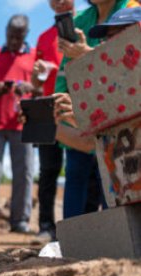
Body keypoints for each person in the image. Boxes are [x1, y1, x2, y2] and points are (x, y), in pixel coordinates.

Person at [54, 0, 139, 219]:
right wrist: (54, 124)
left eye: (119, 37)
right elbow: (91, 141)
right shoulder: (114, 99)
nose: (109, 45)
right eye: (107, 39)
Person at [0, 15, 36, 234]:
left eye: (19, 36)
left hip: (23, 124)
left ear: (26, 34)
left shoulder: (34, 57)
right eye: (11, 35)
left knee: (25, 173)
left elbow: (42, 88)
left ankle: (20, 220)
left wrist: (28, 88)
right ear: (5, 32)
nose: (14, 40)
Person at [30, 0, 75, 242]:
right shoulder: (44, 37)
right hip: (49, 108)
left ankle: (77, 225)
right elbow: (35, 84)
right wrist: (38, 77)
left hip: (77, 106)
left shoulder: (84, 27)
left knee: (80, 168)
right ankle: (46, 225)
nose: (58, 1)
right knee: (48, 170)